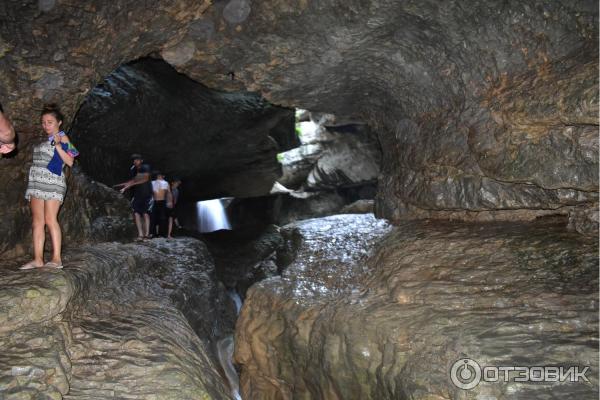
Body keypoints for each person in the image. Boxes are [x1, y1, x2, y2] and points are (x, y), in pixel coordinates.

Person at [20, 104, 79, 269]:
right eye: (44, 122)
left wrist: (59, 145)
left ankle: (57, 259)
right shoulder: (41, 139)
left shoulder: (63, 137)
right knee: (37, 222)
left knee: (50, 219)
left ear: (59, 122)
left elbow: (71, 161)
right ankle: (38, 259)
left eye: (50, 122)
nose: (46, 125)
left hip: (53, 182)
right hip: (36, 182)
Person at [114, 154, 153, 240]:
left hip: (147, 193)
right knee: (136, 213)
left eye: (137, 159)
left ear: (141, 160)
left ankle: (147, 234)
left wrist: (128, 186)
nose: (135, 161)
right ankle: (140, 234)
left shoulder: (145, 167)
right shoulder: (133, 169)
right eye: (134, 160)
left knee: (145, 213)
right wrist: (123, 185)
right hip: (137, 194)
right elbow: (134, 180)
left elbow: (145, 179)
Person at [151, 171, 170, 237]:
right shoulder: (152, 182)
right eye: (158, 175)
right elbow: (149, 192)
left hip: (162, 201)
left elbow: (169, 193)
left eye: (160, 175)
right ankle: (154, 233)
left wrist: (169, 202)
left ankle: (161, 233)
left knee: (162, 218)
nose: (158, 176)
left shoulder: (166, 183)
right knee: (153, 218)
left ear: (163, 176)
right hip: (155, 201)